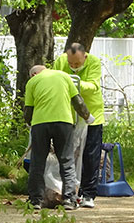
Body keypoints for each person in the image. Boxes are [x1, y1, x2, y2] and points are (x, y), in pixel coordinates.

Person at [24, 65, 94, 210]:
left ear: (34, 74)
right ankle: (69, 200)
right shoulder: (64, 76)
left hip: (40, 124)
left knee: (37, 162)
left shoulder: (32, 82)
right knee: (67, 161)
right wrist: (87, 117)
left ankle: (36, 200)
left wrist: (30, 124)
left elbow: (28, 110)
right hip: (64, 123)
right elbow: (78, 101)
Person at [53, 43, 105, 208]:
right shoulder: (61, 61)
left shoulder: (94, 62)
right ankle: (64, 191)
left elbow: (94, 87)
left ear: (85, 57)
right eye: (71, 63)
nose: (73, 66)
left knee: (91, 155)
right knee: (66, 154)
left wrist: (75, 83)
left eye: (77, 64)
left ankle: (88, 194)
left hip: (91, 115)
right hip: (67, 115)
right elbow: (54, 80)